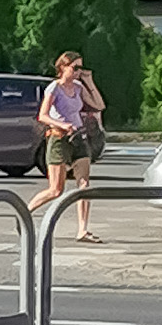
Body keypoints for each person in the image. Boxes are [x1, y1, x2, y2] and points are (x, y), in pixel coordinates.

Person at [40, 51, 100, 243]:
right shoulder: (53, 88)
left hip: (78, 137)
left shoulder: (79, 86)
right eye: (75, 68)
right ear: (63, 67)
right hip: (59, 138)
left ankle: (82, 230)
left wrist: (89, 81)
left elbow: (99, 105)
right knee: (56, 190)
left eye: (80, 68)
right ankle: (24, 212)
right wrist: (61, 125)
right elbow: (43, 115)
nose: (78, 72)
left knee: (84, 185)